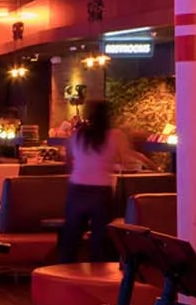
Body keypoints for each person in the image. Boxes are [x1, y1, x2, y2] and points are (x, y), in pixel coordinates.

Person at [58, 100, 149, 261]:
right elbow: (127, 159)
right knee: (100, 237)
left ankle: (63, 273)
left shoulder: (78, 135)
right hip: (101, 190)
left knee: (71, 235)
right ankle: (98, 275)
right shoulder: (115, 136)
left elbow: (69, 163)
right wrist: (151, 164)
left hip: (77, 187)